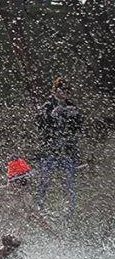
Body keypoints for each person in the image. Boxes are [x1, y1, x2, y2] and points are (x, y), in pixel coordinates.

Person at [35, 78, 83, 220]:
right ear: (56, 90)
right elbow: (40, 125)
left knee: (69, 184)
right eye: (62, 90)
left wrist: (75, 117)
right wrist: (52, 115)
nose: (65, 93)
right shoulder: (47, 105)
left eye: (68, 91)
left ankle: (69, 213)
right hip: (50, 151)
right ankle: (40, 210)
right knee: (45, 181)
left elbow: (78, 127)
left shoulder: (71, 106)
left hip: (67, 151)